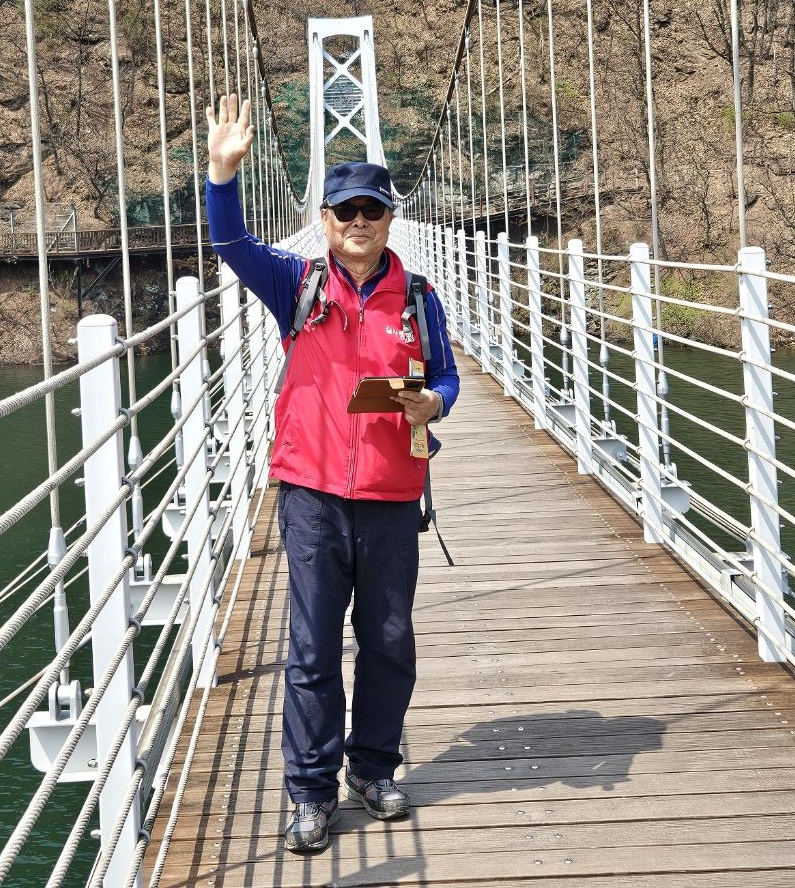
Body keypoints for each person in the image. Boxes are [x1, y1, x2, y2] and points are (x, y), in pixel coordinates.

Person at [205, 93, 460, 853]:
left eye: (371, 211)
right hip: (313, 494)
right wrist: (223, 175)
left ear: (390, 219)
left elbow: (447, 377)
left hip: (391, 496)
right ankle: (311, 793)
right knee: (313, 650)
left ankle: (373, 771)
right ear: (324, 220)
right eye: (345, 210)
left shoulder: (419, 298)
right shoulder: (297, 285)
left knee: (388, 643)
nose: (358, 222)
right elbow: (231, 244)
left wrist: (433, 404)